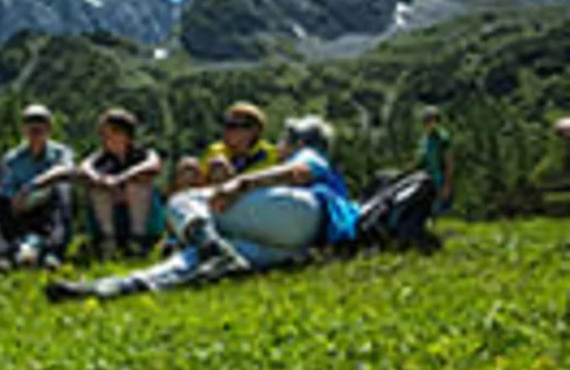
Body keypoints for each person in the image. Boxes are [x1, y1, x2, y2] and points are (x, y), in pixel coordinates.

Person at [46, 115, 360, 301]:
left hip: (302, 216)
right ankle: (113, 287)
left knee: (186, 201)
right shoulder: (326, 174)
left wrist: (240, 184)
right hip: (304, 242)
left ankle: (213, 250)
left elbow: (298, 173)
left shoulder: (311, 156)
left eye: (283, 141)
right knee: (197, 257)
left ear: (297, 142)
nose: (279, 147)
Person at [0, 104, 74, 269]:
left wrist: (32, 186)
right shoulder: (11, 158)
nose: (35, 129)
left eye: (40, 123)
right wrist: (15, 199)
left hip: (47, 209)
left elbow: (64, 171)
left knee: (61, 189)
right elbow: (7, 188)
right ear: (23, 129)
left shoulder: (60, 152)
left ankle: (54, 252)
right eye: (30, 123)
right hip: (19, 209)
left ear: (49, 128)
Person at [80, 108, 164, 258]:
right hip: (114, 214)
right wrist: (105, 182)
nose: (103, 138)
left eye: (107, 133)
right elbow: (85, 168)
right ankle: (108, 241)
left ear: (122, 134)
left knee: (137, 186)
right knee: (98, 189)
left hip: (143, 218)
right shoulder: (102, 158)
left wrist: (123, 178)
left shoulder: (142, 154)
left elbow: (154, 164)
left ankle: (138, 240)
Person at [201, 102, 278, 178]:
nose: (229, 131)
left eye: (234, 125)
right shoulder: (215, 150)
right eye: (228, 124)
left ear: (255, 130)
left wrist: (230, 174)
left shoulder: (268, 153)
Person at [416, 106, 454, 213]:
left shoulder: (442, 138)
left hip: (439, 178)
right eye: (426, 120)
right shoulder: (425, 139)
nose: (428, 123)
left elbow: (449, 163)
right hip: (427, 178)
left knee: (440, 209)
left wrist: (447, 185)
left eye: (431, 120)